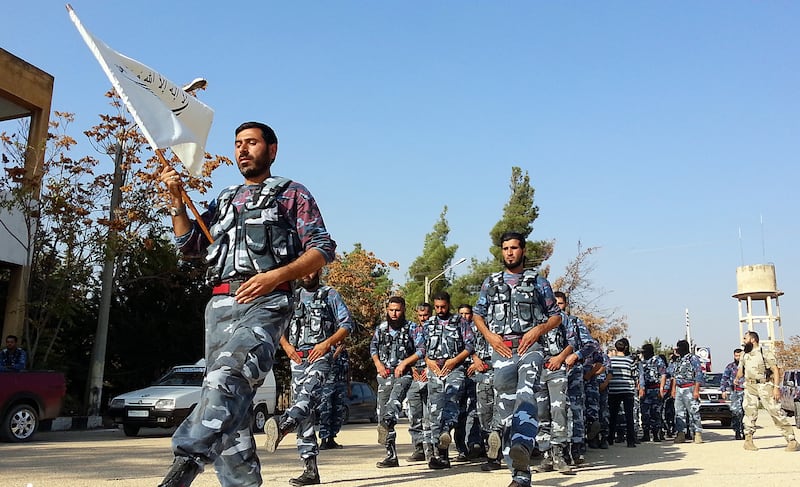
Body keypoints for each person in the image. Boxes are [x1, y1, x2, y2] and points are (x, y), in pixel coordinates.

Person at [157, 121, 336, 487]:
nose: (242, 149)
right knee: (232, 410)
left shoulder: (292, 193)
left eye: (251, 142)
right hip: (220, 307)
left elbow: (322, 249)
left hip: (266, 301)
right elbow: (190, 246)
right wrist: (176, 201)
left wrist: (275, 276)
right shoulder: (225, 198)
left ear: (272, 150)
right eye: (238, 143)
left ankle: (186, 461)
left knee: (228, 376)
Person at [472, 232, 562, 487]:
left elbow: (556, 315)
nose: (509, 252)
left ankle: (523, 444)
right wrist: (490, 337)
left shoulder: (538, 282)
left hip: (529, 347)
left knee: (526, 393)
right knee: (505, 410)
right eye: (505, 248)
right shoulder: (491, 283)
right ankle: (519, 474)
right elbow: (478, 314)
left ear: (523, 250)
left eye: (514, 248)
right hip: (501, 350)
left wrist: (538, 330)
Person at [266, 269, 353, 485]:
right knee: (304, 412)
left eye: (311, 269)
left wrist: (327, 344)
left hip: (321, 357)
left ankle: (283, 423)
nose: (307, 274)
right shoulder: (292, 296)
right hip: (297, 359)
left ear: (319, 270)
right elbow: (277, 325)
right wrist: (286, 347)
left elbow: (346, 325)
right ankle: (310, 470)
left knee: (309, 394)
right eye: (304, 270)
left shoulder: (330, 294)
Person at [420, 291, 474, 469]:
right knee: (435, 412)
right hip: (435, 371)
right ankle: (440, 455)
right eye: (437, 307)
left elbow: (470, 346)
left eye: (443, 307)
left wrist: (454, 361)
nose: (440, 310)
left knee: (451, 404)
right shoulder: (429, 324)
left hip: (455, 369)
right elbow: (421, 348)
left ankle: (445, 433)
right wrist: (429, 362)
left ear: (449, 305)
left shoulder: (460, 322)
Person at [370, 296, 424, 468]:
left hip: (404, 375)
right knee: (382, 414)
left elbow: (421, 350)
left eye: (397, 310)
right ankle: (390, 455)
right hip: (384, 376)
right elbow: (373, 348)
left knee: (393, 404)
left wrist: (405, 363)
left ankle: (418, 445)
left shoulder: (412, 328)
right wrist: (378, 364)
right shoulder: (381, 328)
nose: (394, 313)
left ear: (403, 310)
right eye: (391, 310)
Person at [736, 331, 798, 451]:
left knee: (775, 411)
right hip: (750, 386)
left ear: (753, 340)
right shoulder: (744, 354)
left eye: (745, 338)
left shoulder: (764, 352)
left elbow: (775, 370)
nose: (743, 341)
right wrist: (737, 378)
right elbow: (740, 371)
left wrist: (776, 387)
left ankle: (791, 440)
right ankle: (748, 440)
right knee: (749, 413)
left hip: (764, 385)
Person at [532, 300, 573, 474]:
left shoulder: (563, 318)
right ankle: (546, 455)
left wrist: (560, 358)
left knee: (558, 410)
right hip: (536, 370)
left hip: (556, 368)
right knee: (540, 413)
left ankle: (559, 455)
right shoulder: (531, 316)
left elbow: (573, 341)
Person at [557, 291, 599, 466]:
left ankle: (577, 449)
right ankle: (556, 451)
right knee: (554, 411)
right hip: (552, 371)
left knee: (575, 410)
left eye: (560, 303)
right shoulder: (544, 322)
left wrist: (576, 355)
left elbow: (591, 345)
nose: (557, 306)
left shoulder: (574, 322)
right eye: (554, 303)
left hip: (573, 372)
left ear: (565, 304)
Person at [454, 303, 484, 462]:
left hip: (475, 373)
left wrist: (475, 363)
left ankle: (475, 444)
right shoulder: (454, 328)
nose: (464, 316)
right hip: (458, 372)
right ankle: (461, 448)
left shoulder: (479, 329)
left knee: (474, 411)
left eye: (467, 313)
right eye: (461, 313)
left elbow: (479, 349)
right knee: (459, 413)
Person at [406, 303, 434, 462]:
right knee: (414, 415)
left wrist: (428, 371)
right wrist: (411, 369)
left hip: (432, 375)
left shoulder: (437, 329)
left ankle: (431, 448)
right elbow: (405, 352)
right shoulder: (411, 330)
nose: (423, 319)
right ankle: (418, 448)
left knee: (429, 416)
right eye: (420, 316)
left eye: (426, 315)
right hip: (415, 375)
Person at [669, 339, 703, 444]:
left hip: (690, 387)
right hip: (679, 388)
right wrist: (673, 389)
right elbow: (675, 375)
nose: (676, 350)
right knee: (679, 413)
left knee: (693, 411)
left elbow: (698, 373)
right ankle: (681, 434)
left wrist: (696, 390)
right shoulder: (678, 360)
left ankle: (697, 433)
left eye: (678, 347)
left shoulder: (693, 358)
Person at [318, 343, 349, 450]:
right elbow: (326, 363)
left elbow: (347, 369)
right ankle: (323, 440)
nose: (340, 341)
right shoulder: (327, 349)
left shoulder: (344, 352)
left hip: (340, 384)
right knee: (326, 412)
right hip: (328, 385)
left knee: (338, 413)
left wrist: (348, 386)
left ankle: (331, 439)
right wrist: (336, 353)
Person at [607, 339, 638, 448]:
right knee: (629, 415)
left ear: (616, 348)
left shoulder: (610, 360)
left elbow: (608, 373)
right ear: (625, 348)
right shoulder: (630, 361)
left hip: (613, 390)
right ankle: (631, 441)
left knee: (612, 415)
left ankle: (610, 438)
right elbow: (634, 375)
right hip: (627, 390)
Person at [638, 343, 667, 442]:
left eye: (644, 352)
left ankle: (656, 434)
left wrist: (661, 389)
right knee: (645, 413)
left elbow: (663, 375)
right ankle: (646, 434)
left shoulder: (657, 360)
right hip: (645, 389)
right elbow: (640, 376)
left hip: (655, 389)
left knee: (656, 412)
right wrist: (641, 389)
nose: (643, 354)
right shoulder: (642, 362)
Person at [720, 348, 745, 440]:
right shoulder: (730, 366)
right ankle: (737, 431)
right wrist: (723, 390)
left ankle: (746, 431)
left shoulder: (747, 366)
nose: (737, 357)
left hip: (746, 392)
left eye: (739, 356)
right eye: (736, 356)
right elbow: (724, 378)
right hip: (735, 392)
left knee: (746, 412)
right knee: (736, 412)